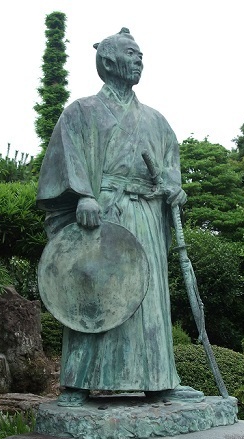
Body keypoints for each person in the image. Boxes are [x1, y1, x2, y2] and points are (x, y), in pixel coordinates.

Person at [37, 27, 202, 406]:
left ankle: (159, 380)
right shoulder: (81, 111)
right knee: (92, 290)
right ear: (108, 61)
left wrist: (175, 189)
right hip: (101, 215)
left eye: (141, 55)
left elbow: (170, 170)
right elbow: (67, 159)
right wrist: (82, 196)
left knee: (149, 299)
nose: (139, 60)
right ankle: (78, 382)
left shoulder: (156, 120)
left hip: (144, 215)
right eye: (132, 54)